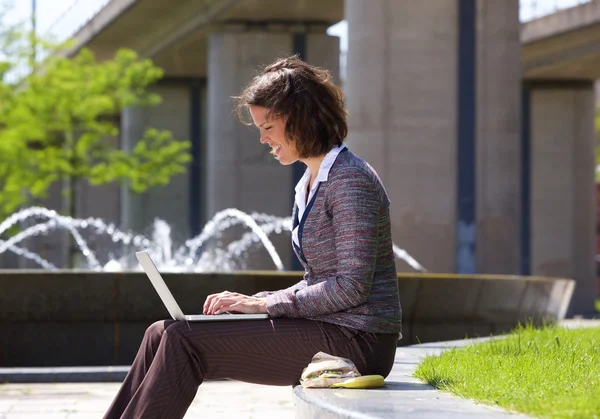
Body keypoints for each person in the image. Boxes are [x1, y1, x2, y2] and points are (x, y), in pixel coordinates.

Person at [103, 55, 402, 419]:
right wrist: (260, 299)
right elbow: (318, 281)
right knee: (161, 331)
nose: (263, 138)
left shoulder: (349, 180)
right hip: (330, 328)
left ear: (301, 121)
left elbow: (352, 286)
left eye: (269, 126)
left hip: (358, 343)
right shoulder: (312, 181)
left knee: (185, 342)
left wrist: (265, 306)